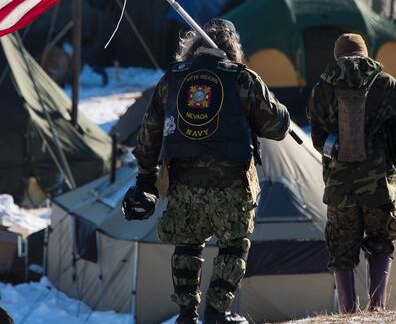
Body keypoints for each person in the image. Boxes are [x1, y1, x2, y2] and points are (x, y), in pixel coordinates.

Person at [124, 19, 290, 324]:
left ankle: (186, 315)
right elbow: (278, 126)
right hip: (233, 185)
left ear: (191, 48)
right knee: (233, 246)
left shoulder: (172, 80)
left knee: (187, 245)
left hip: (183, 183)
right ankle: (217, 314)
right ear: (231, 48)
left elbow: (149, 133)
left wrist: (145, 179)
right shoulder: (242, 78)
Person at [306, 33, 396, 313]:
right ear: (365, 54)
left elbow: (318, 139)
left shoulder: (322, 87)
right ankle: (377, 308)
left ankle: (347, 313)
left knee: (341, 251)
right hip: (378, 183)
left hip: (339, 187)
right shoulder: (386, 84)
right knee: (380, 241)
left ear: (337, 55)